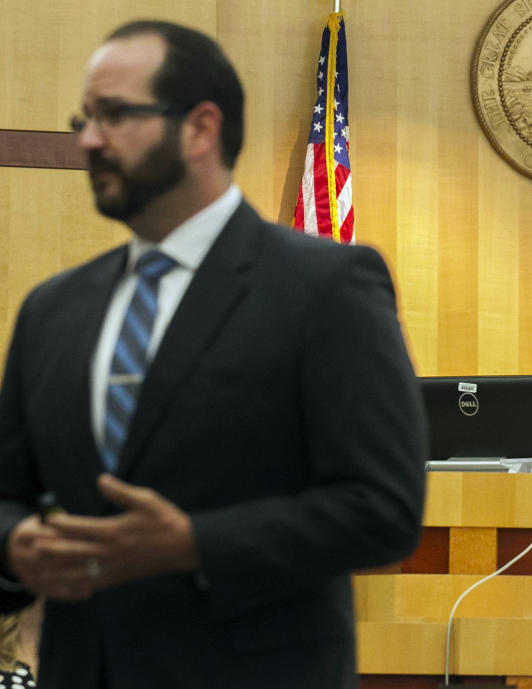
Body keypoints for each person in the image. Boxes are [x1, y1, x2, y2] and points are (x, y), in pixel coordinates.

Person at [0, 20, 426, 689]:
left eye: (114, 115)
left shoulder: (327, 288)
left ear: (200, 128)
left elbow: (384, 509)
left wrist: (195, 544)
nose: (87, 139)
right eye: (85, 117)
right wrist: (15, 543)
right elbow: (8, 494)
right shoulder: (52, 309)